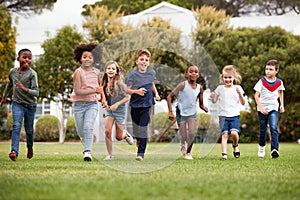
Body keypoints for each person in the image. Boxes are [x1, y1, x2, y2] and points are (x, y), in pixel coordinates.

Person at [0, 49, 39, 161]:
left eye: (29, 58)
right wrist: (3, 98)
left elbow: (36, 93)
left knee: (29, 130)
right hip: (17, 103)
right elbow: (9, 84)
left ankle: (30, 147)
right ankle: (14, 151)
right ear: (18, 59)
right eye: (24, 57)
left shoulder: (32, 74)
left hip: (30, 105)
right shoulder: (12, 72)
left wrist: (24, 88)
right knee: (16, 125)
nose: (27, 60)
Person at [70, 43, 107, 162]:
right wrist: (94, 90)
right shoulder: (78, 72)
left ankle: (87, 152)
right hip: (79, 105)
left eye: (90, 57)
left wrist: (103, 100)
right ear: (80, 58)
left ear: (94, 59)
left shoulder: (96, 72)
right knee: (81, 131)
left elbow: (100, 88)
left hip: (92, 104)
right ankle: (87, 140)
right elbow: (78, 91)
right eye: (85, 57)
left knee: (88, 128)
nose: (87, 59)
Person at [126, 48, 161, 161]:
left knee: (142, 129)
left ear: (149, 62)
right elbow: (127, 90)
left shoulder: (151, 73)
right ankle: (137, 139)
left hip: (147, 104)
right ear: (137, 61)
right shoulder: (132, 74)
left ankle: (140, 154)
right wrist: (137, 91)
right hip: (135, 105)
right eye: (141, 59)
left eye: (146, 60)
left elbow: (152, 84)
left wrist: (156, 94)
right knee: (137, 131)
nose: (144, 61)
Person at [167, 65, 208, 160]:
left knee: (192, 133)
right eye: (191, 72)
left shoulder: (200, 88)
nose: (193, 73)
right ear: (186, 74)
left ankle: (188, 153)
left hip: (192, 113)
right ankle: (182, 142)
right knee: (184, 135)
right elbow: (169, 96)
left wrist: (204, 108)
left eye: (196, 72)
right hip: (181, 112)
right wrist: (170, 112)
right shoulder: (183, 85)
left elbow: (201, 104)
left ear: (198, 75)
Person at [210, 65, 245, 160]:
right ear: (222, 78)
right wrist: (212, 96)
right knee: (224, 135)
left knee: (234, 133)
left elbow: (243, 103)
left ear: (234, 77)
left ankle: (235, 145)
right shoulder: (220, 89)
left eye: (230, 77)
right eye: (225, 77)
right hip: (223, 116)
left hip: (234, 116)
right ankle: (224, 155)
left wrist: (240, 94)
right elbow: (214, 101)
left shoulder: (238, 88)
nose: (227, 79)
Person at [101, 60, 134, 161]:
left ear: (116, 71)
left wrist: (117, 104)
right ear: (105, 70)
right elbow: (101, 96)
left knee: (118, 137)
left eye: (113, 69)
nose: (111, 70)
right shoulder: (103, 83)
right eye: (109, 68)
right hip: (109, 110)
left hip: (120, 111)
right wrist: (104, 102)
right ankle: (110, 155)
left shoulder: (120, 84)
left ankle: (125, 134)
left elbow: (127, 97)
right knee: (107, 131)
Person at [254, 59, 285, 158]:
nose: (268, 71)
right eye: (266, 69)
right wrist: (261, 108)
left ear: (276, 71)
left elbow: (281, 92)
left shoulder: (279, 82)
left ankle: (274, 149)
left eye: (270, 69)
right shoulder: (261, 82)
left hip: (273, 108)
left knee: (273, 127)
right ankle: (261, 147)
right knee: (263, 130)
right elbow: (256, 96)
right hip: (262, 109)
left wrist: (282, 105)